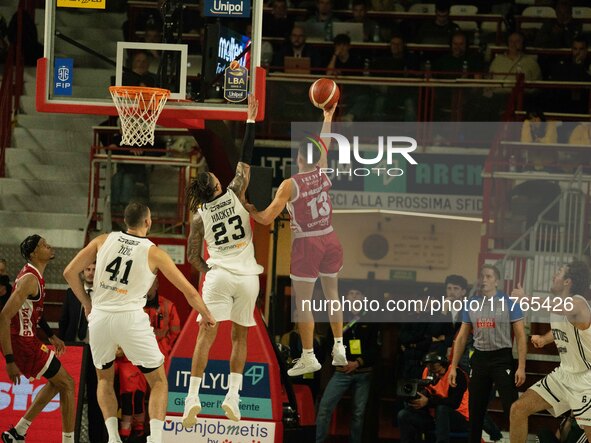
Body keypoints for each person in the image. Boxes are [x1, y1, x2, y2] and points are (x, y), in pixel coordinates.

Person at [63, 202, 215, 443]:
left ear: (125, 221)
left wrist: (86, 302)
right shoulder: (153, 251)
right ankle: (155, 439)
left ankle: (113, 438)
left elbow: (69, 272)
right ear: (148, 222)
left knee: (104, 379)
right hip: (130, 318)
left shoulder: (103, 240)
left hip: (100, 317)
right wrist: (207, 314)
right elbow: (188, 291)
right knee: (157, 381)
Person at [247, 103, 347, 377]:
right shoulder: (323, 170)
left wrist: (249, 208)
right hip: (330, 237)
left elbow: (266, 219)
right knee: (332, 295)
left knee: (303, 303)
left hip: (308, 244)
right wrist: (328, 116)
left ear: (299, 157)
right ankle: (339, 346)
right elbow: (325, 142)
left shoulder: (290, 184)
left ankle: (308, 356)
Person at [181, 95, 263, 425]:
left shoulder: (199, 215)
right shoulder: (235, 189)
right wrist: (250, 121)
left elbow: (191, 256)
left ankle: (191, 399)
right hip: (246, 278)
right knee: (239, 338)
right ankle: (233, 397)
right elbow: (246, 156)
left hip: (218, 275)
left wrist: (209, 268)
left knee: (206, 336)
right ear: (215, 183)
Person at [0, 235, 75, 443]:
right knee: (67, 384)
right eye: (43, 245)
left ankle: (18, 432)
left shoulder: (34, 275)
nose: (49, 246)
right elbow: (4, 316)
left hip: (28, 340)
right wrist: (9, 360)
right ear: (34, 253)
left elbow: (34, 312)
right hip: (23, 343)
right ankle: (68, 440)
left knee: (58, 382)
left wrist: (51, 335)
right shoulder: (30, 279)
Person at [509, 261, 591, 442]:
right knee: (518, 409)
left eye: (559, 272)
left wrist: (526, 299)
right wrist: (544, 339)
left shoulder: (578, 303)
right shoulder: (559, 307)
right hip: (564, 375)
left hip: (586, 378)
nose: (554, 276)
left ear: (568, 281)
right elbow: (561, 328)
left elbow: (565, 309)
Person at [448, 264, 527, 443]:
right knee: (475, 411)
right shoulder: (471, 303)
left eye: (489, 276)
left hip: (502, 358)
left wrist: (521, 366)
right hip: (480, 359)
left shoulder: (509, 303)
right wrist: (453, 366)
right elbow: (461, 338)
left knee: (512, 408)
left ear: (497, 281)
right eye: (482, 276)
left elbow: (522, 336)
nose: (484, 279)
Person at [315, 288, 380, 443]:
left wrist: (357, 363)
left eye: (358, 294)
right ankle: (319, 440)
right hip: (341, 371)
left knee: (358, 413)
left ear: (363, 298)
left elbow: (375, 349)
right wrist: (342, 360)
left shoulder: (371, 319)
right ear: (346, 298)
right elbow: (330, 343)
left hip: (363, 373)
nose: (355, 296)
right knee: (324, 408)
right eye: (351, 294)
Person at [58, 262, 107, 443]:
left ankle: (96, 439)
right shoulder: (72, 293)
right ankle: (70, 437)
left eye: (94, 269)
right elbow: (64, 321)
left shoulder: (105, 294)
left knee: (97, 398)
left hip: (97, 352)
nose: (91, 272)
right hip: (75, 352)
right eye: (88, 269)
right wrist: (63, 349)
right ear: (82, 272)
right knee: (71, 398)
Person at [398, 352, 469, 443]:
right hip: (435, 417)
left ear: (443, 364)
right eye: (430, 368)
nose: (436, 375)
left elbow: (454, 403)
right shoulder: (427, 371)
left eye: (438, 372)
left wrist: (428, 402)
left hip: (458, 417)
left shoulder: (456, 374)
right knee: (403, 415)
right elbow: (427, 392)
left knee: (442, 408)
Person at [144, 278, 180, 364]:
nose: (147, 286)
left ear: (156, 285)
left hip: (161, 354)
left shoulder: (168, 306)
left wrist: (165, 347)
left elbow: (175, 333)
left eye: (150, 283)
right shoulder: (133, 305)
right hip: (137, 353)